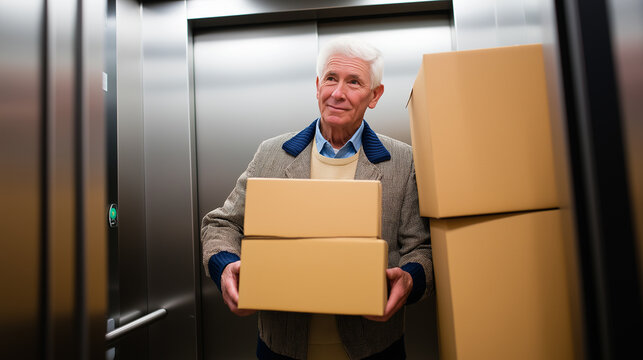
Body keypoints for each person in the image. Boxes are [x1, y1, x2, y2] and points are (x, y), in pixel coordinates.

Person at [201, 36, 432, 360]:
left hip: (374, 349)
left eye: (354, 82)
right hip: (282, 349)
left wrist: (410, 279)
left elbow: (421, 248)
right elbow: (220, 224)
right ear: (317, 85)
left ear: (375, 95)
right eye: (331, 79)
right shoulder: (272, 154)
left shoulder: (402, 161)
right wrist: (225, 267)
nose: (337, 93)